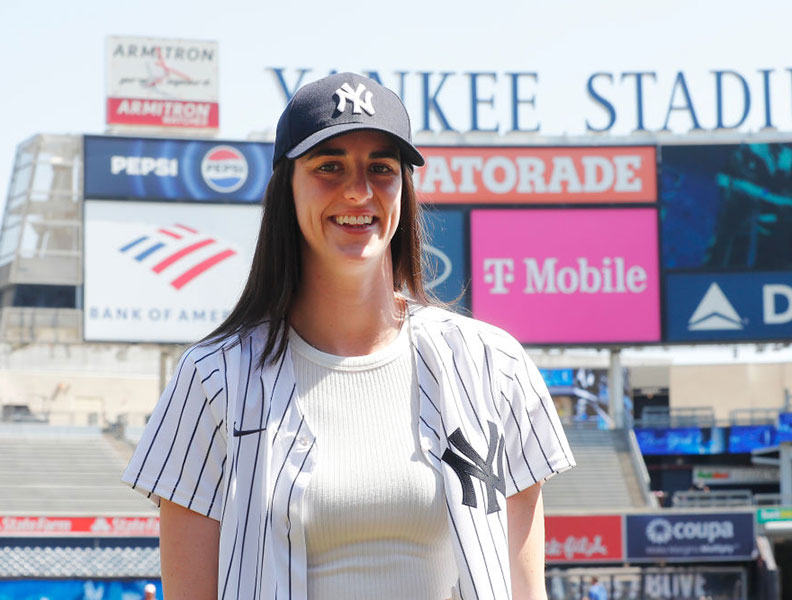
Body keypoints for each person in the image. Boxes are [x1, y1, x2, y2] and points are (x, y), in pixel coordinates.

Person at [122, 72, 575, 600]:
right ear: (286, 188)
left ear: (404, 188)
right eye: (329, 166)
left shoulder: (492, 365)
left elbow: (525, 591)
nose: (358, 191)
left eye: (380, 169)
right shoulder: (212, 379)